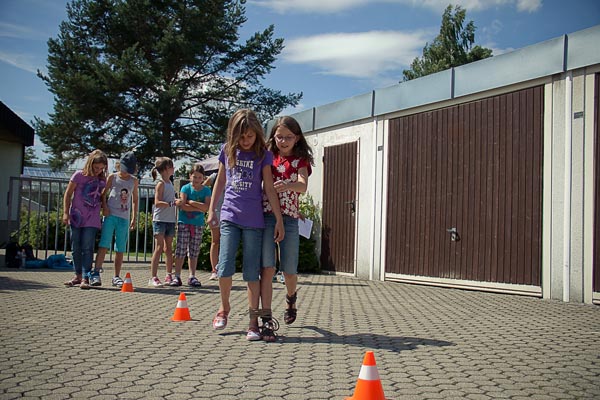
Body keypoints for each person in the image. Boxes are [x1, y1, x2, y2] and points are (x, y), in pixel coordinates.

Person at [206, 108, 285, 341]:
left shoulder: (263, 155)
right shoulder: (227, 151)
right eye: (241, 137)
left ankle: (253, 322)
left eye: (250, 136)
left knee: (252, 272)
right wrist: (212, 209)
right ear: (234, 135)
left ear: (257, 134)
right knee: (225, 265)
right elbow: (220, 181)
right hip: (230, 215)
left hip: (254, 220)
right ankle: (224, 309)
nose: (246, 140)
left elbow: (269, 188)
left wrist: (279, 218)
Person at [260, 116, 314, 340]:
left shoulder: (300, 160)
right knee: (267, 268)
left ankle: (291, 298)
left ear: (297, 138)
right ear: (273, 136)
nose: (283, 141)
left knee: (289, 270)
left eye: (288, 137)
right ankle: (265, 317)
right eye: (279, 136)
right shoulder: (267, 156)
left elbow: (302, 186)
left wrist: (287, 185)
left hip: (290, 218)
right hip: (266, 216)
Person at [62, 149, 108, 289]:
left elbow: (102, 196)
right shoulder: (78, 176)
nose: (98, 170)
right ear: (90, 164)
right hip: (77, 216)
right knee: (76, 246)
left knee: (87, 247)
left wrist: (104, 206)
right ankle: (77, 275)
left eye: (101, 168)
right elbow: (68, 194)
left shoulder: (101, 179)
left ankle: (86, 276)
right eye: (96, 168)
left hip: (92, 218)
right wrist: (65, 213)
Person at [94, 152, 139, 288]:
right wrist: (105, 207)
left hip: (124, 217)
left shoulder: (133, 180)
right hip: (111, 214)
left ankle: (116, 276)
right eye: (124, 169)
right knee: (104, 244)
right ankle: (96, 272)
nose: (125, 173)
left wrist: (134, 217)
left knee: (120, 247)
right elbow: (104, 193)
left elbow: (135, 199)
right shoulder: (112, 177)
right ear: (120, 166)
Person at [172, 163, 211, 287]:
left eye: (199, 177)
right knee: (181, 250)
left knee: (194, 251)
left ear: (203, 178)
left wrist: (192, 202)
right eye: (194, 177)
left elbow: (206, 207)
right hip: (184, 223)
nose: (197, 180)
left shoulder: (206, 190)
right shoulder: (185, 188)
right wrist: (196, 207)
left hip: (198, 224)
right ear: (190, 176)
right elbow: (183, 206)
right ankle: (177, 276)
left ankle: (192, 275)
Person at [149, 157, 176, 287]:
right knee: (159, 247)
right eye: (172, 166)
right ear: (166, 169)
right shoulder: (160, 183)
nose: (174, 169)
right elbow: (157, 202)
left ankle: (168, 274)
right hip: (160, 219)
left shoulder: (170, 183)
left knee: (168, 249)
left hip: (170, 219)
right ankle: (153, 277)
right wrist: (172, 203)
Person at [203, 172, 222, 281]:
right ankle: (214, 270)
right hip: (215, 211)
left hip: (228, 211)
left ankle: (223, 268)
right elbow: (203, 187)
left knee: (226, 241)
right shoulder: (214, 176)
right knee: (215, 241)